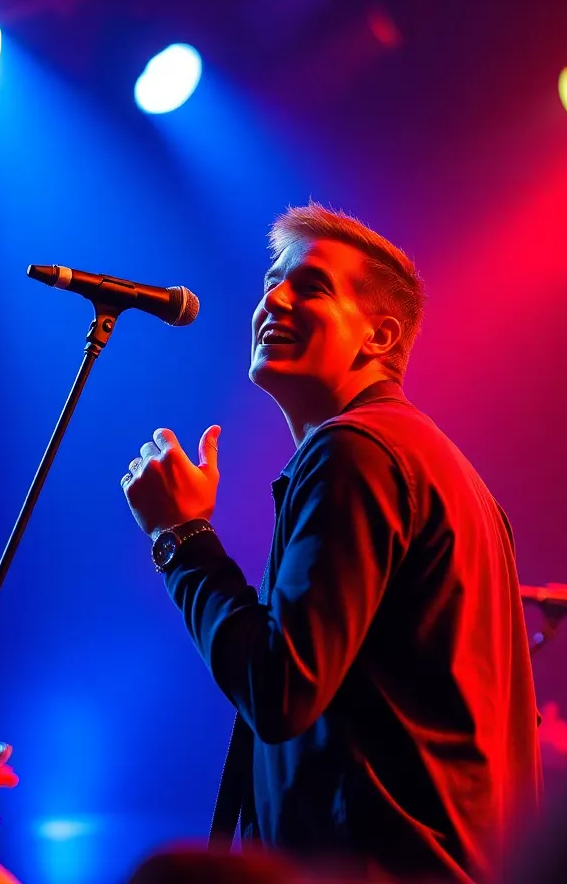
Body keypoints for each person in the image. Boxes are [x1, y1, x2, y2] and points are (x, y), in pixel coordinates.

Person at [121, 202, 541, 881]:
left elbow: (280, 689)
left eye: (309, 286)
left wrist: (182, 537)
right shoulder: (436, 467)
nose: (273, 299)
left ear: (379, 336)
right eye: (270, 283)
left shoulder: (355, 450)